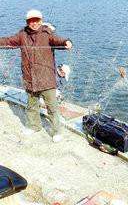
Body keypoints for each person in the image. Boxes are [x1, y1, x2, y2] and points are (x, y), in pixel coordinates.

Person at [0, 9, 73, 142]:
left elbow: (58, 40)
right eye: (31, 21)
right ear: (27, 22)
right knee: (31, 105)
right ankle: (34, 126)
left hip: (46, 79)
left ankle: (56, 131)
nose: (34, 23)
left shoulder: (47, 33)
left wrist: (66, 42)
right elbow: (7, 41)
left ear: (41, 21)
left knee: (52, 107)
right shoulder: (22, 35)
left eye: (36, 20)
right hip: (30, 79)